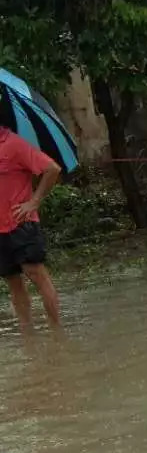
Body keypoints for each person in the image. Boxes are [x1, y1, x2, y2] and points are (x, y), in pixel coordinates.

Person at [0, 126, 62, 333]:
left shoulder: (14, 143)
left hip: (21, 224)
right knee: (13, 282)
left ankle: (57, 332)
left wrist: (34, 202)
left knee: (36, 274)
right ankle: (27, 336)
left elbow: (52, 169)